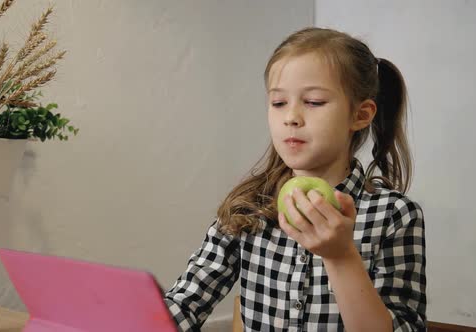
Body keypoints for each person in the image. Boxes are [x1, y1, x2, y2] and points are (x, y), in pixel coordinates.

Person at [164, 27, 426, 332]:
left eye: (313, 102)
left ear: (361, 114)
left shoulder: (394, 215)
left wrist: (341, 257)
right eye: (278, 103)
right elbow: (184, 303)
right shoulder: (248, 207)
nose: (291, 117)